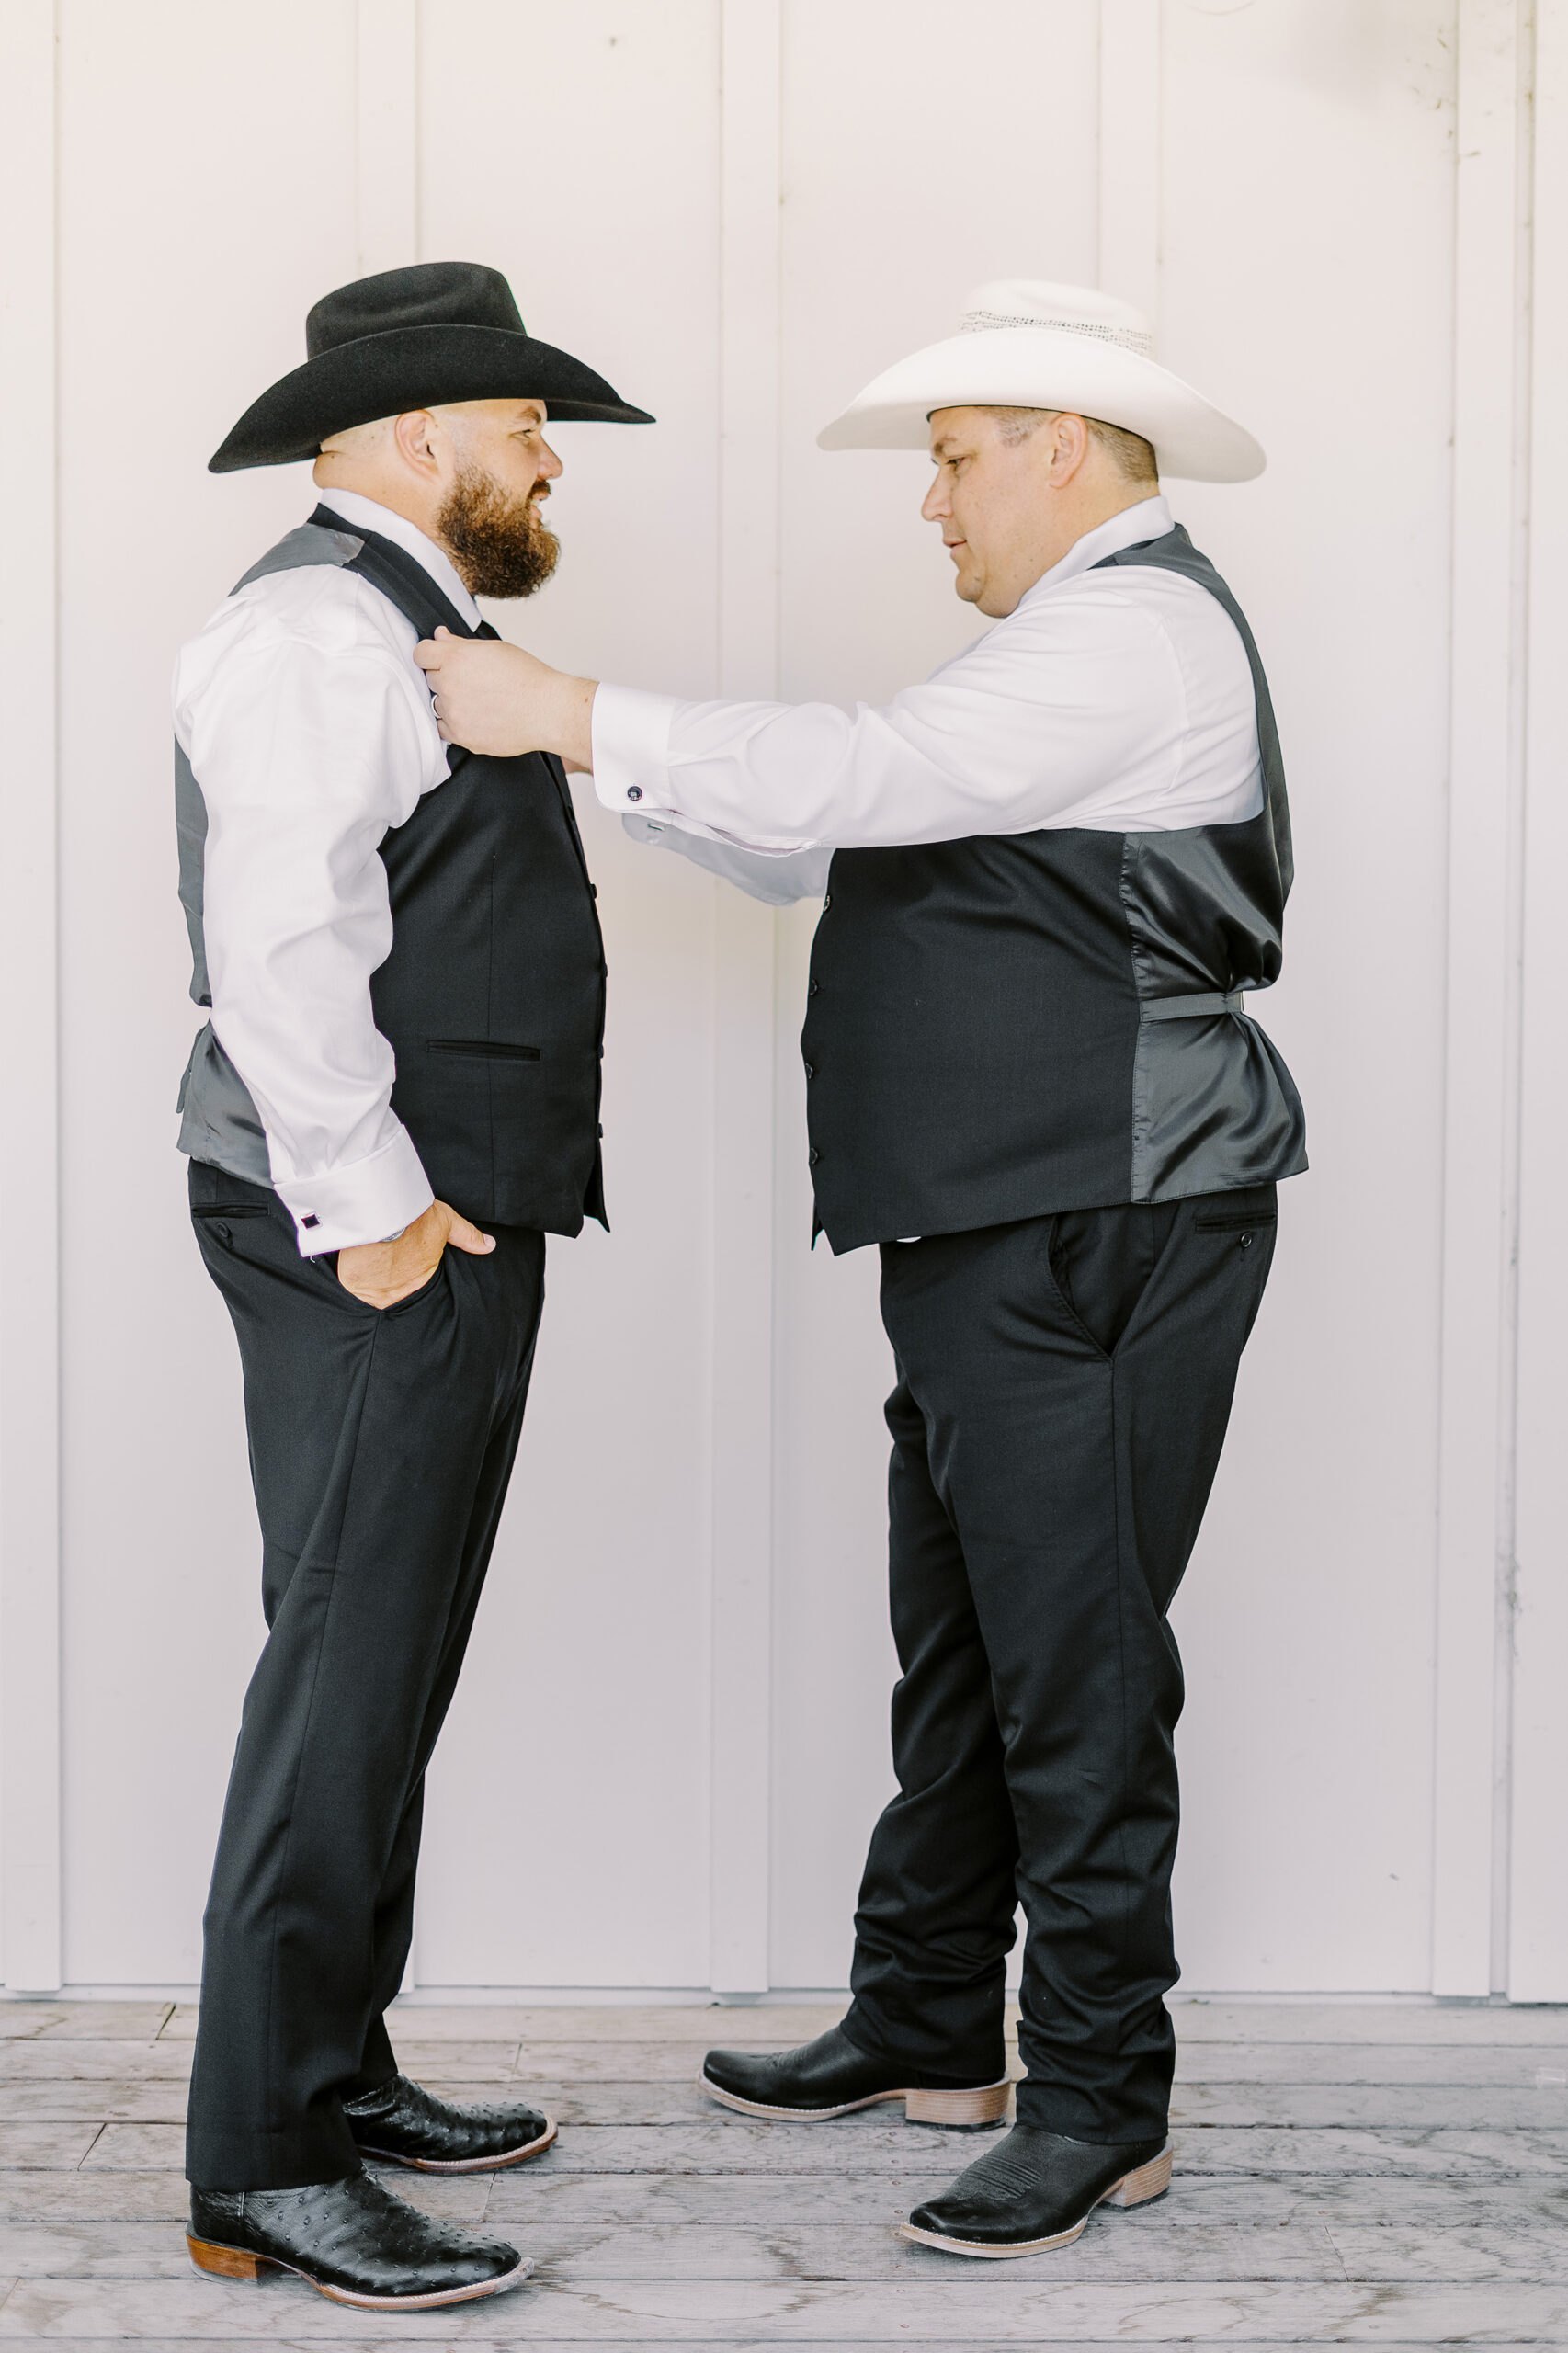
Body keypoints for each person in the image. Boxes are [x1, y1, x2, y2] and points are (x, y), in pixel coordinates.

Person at [415, 279, 1306, 2261]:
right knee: (967, 1636)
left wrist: (574, 711)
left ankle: (1100, 2100)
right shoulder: (1067, 649)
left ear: (1059, 451)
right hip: (1007, 1216)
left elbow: (862, 777)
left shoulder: (1137, 631)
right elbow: (843, 831)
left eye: (954, 457)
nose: (930, 500)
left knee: (1072, 1661)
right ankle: (927, 2014)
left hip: (1103, 1208)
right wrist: (604, 760)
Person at [172, 260, 650, 2313]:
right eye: (529, 426)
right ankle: (267, 2159)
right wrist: (373, 1209)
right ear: (422, 431)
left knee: (391, 1658)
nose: (551, 462)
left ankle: (336, 2068)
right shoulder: (312, 629)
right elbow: (278, 941)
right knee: (345, 1670)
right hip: (375, 1223)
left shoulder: (412, 621)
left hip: (442, 1212)